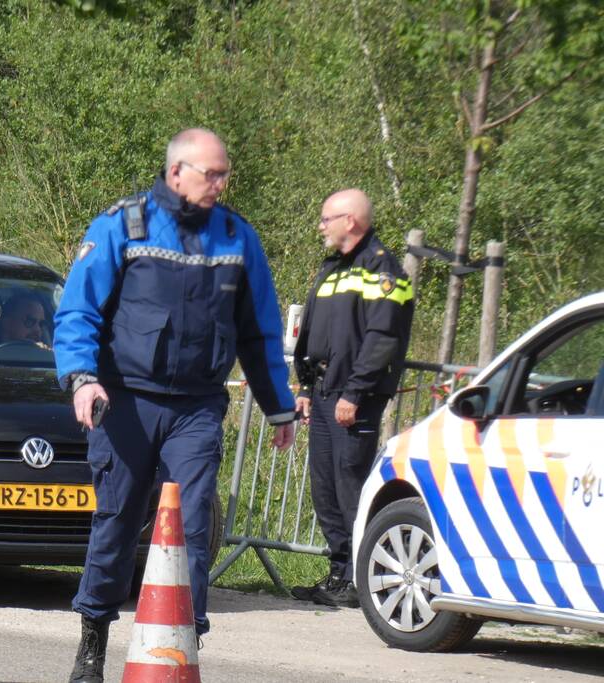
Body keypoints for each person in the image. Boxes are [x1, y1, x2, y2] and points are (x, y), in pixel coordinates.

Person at [54, 128, 296, 683]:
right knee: (116, 520)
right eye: (210, 173)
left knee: (191, 523)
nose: (220, 183)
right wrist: (82, 379)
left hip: (196, 406)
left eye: (224, 173)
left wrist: (279, 407)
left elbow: (258, 332)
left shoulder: (238, 238)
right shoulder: (123, 224)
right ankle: (93, 638)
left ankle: (183, 643)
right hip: (126, 401)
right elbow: (79, 310)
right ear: (176, 172)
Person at [290, 188, 414, 608]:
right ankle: (339, 573)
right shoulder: (332, 268)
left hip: (353, 398)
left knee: (350, 485)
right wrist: (306, 386)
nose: (321, 227)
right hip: (324, 392)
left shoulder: (383, 270)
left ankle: (365, 579)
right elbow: (312, 332)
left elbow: (382, 340)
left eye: (327, 219)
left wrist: (355, 393)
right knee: (324, 486)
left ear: (352, 221)